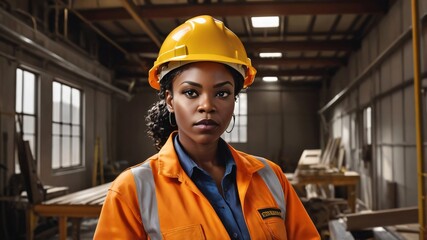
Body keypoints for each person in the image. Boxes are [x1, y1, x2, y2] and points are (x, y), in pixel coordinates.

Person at [94, 15, 320, 240]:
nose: (207, 106)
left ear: (234, 100)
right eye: (191, 92)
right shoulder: (133, 190)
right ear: (170, 101)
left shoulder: (270, 176)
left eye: (222, 93)